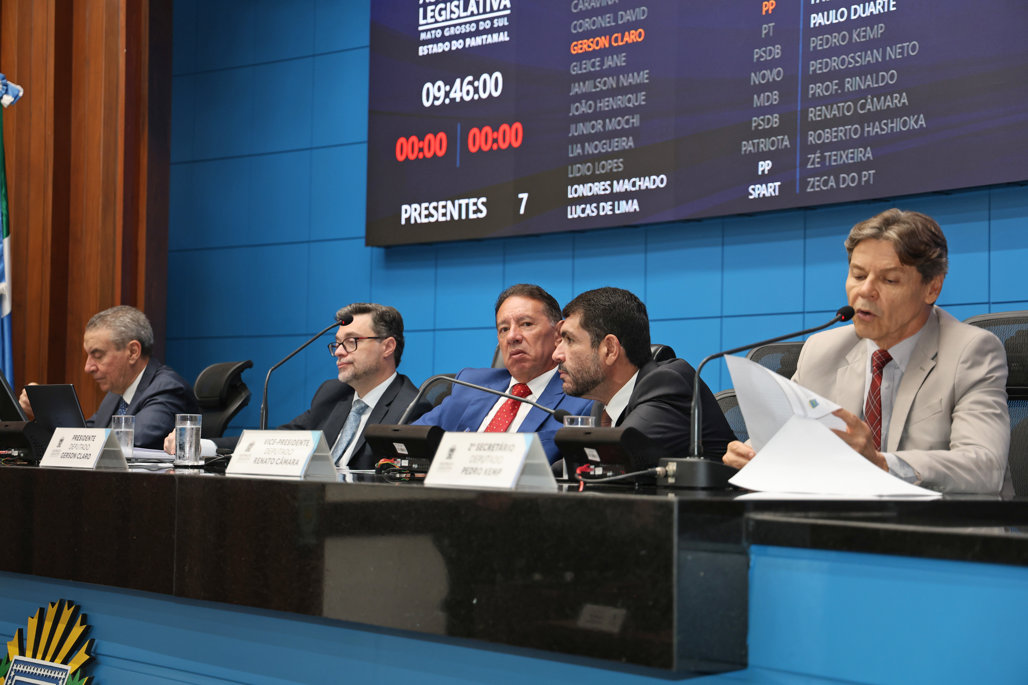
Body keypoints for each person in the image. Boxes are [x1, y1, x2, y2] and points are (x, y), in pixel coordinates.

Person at [722, 208, 1010, 494]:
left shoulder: (969, 352)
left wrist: (881, 465)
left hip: (940, 520)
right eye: (858, 275)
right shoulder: (822, 351)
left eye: (889, 280)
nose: (865, 291)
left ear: (932, 288)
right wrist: (754, 455)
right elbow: (786, 438)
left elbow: (985, 467)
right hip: (840, 517)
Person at [166, 303, 421, 470]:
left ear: (388, 347)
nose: (339, 352)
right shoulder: (332, 394)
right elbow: (277, 442)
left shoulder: (411, 407)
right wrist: (203, 446)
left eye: (352, 341)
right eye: (337, 343)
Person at [412, 284, 594, 464]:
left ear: (558, 333)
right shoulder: (471, 385)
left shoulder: (581, 401)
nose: (512, 337)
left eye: (526, 324)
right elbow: (410, 439)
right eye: (504, 329)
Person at [553, 287, 735, 465]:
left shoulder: (668, 384)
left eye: (570, 340)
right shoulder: (602, 406)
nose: (556, 355)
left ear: (610, 349)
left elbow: (614, 458)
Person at [19, 305, 199, 449]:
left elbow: (126, 441)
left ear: (133, 352)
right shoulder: (116, 393)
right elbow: (86, 433)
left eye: (97, 355)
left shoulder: (168, 389)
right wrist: (47, 413)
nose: (88, 367)